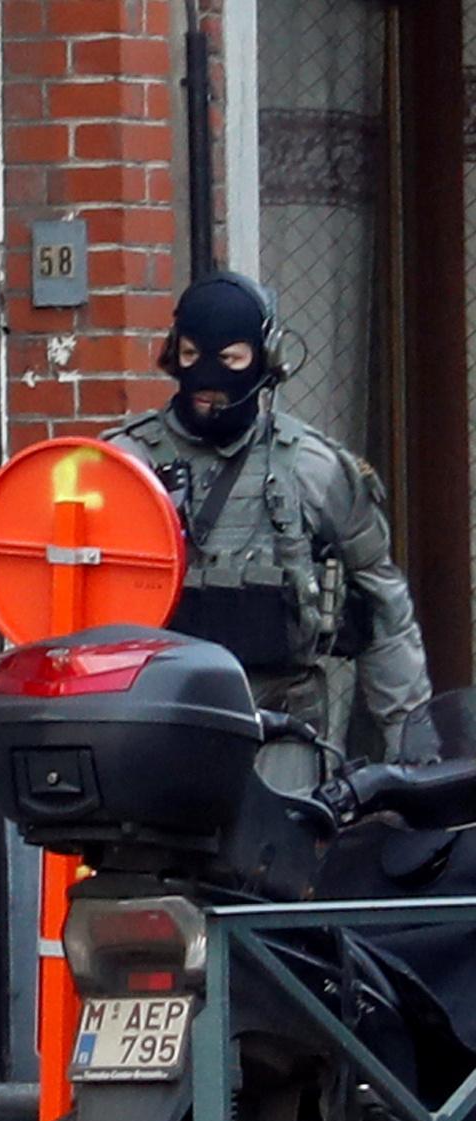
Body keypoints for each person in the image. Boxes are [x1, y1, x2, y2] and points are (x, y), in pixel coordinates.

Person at [104, 270, 431, 778]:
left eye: (232, 360)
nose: (209, 378)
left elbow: (383, 608)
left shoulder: (314, 469)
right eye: (191, 357)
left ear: (267, 360)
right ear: (172, 355)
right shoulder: (123, 466)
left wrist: (411, 737)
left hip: (284, 729)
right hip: (155, 725)